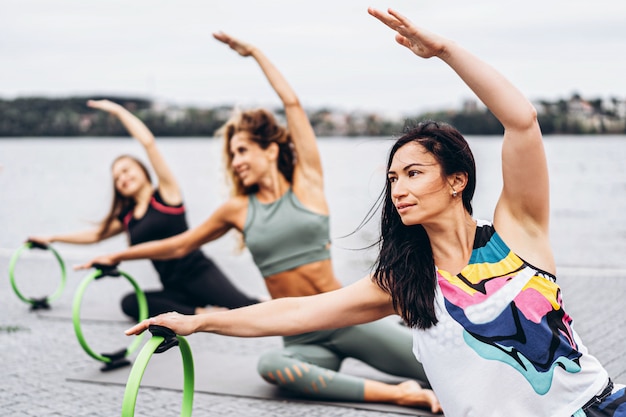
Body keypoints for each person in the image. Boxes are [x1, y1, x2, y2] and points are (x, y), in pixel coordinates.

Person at [122, 7, 626, 417]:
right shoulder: (405, 283)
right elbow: (296, 312)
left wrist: (445, 51)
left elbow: (521, 123)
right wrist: (198, 323)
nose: (398, 189)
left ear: (457, 180)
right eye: (392, 179)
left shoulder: (519, 233)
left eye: (413, 173)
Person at [77, 32, 441, 413]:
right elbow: (180, 244)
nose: (234, 161)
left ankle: (411, 359)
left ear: (270, 150)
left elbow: (292, 103)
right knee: (272, 367)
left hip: (343, 319)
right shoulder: (236, 209)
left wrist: (254, 54)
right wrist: (120, 258)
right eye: (231, 153)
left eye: (242, 150)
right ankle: (402, 394)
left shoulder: (307, 183)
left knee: (433, 367)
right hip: (296, 336)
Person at [30, 99, 260, 321]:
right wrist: (52, 238)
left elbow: (148, 143)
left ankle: (275, 302)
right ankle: (200, 313)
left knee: (248, 309)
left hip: (199, 275)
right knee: (130, 302)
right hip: (173, 287)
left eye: (127, 170)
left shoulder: (166, 195)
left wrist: (119, 112)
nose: (123, 177)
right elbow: (95, 235)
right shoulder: (129, 216)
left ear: (142, 170)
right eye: (117, 177)